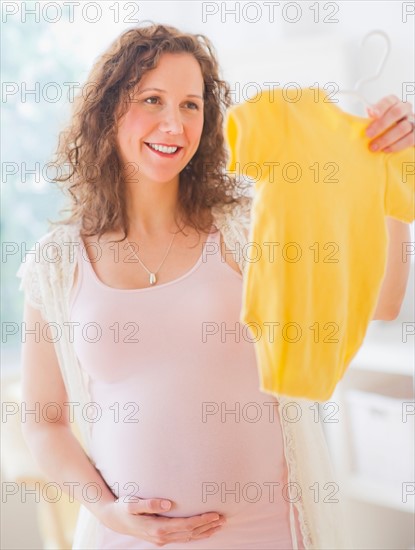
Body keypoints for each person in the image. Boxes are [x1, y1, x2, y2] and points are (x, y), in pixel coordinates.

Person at [18, 23, 414, 549]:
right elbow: (44, 422)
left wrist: (389, 167)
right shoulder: (55, 262)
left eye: (190, 105)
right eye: (152, 100)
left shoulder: (252, 228)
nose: (173, 123)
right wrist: (108, 512)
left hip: (267, 532)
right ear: (107, 111)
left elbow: (382, 302)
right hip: (125, 540)